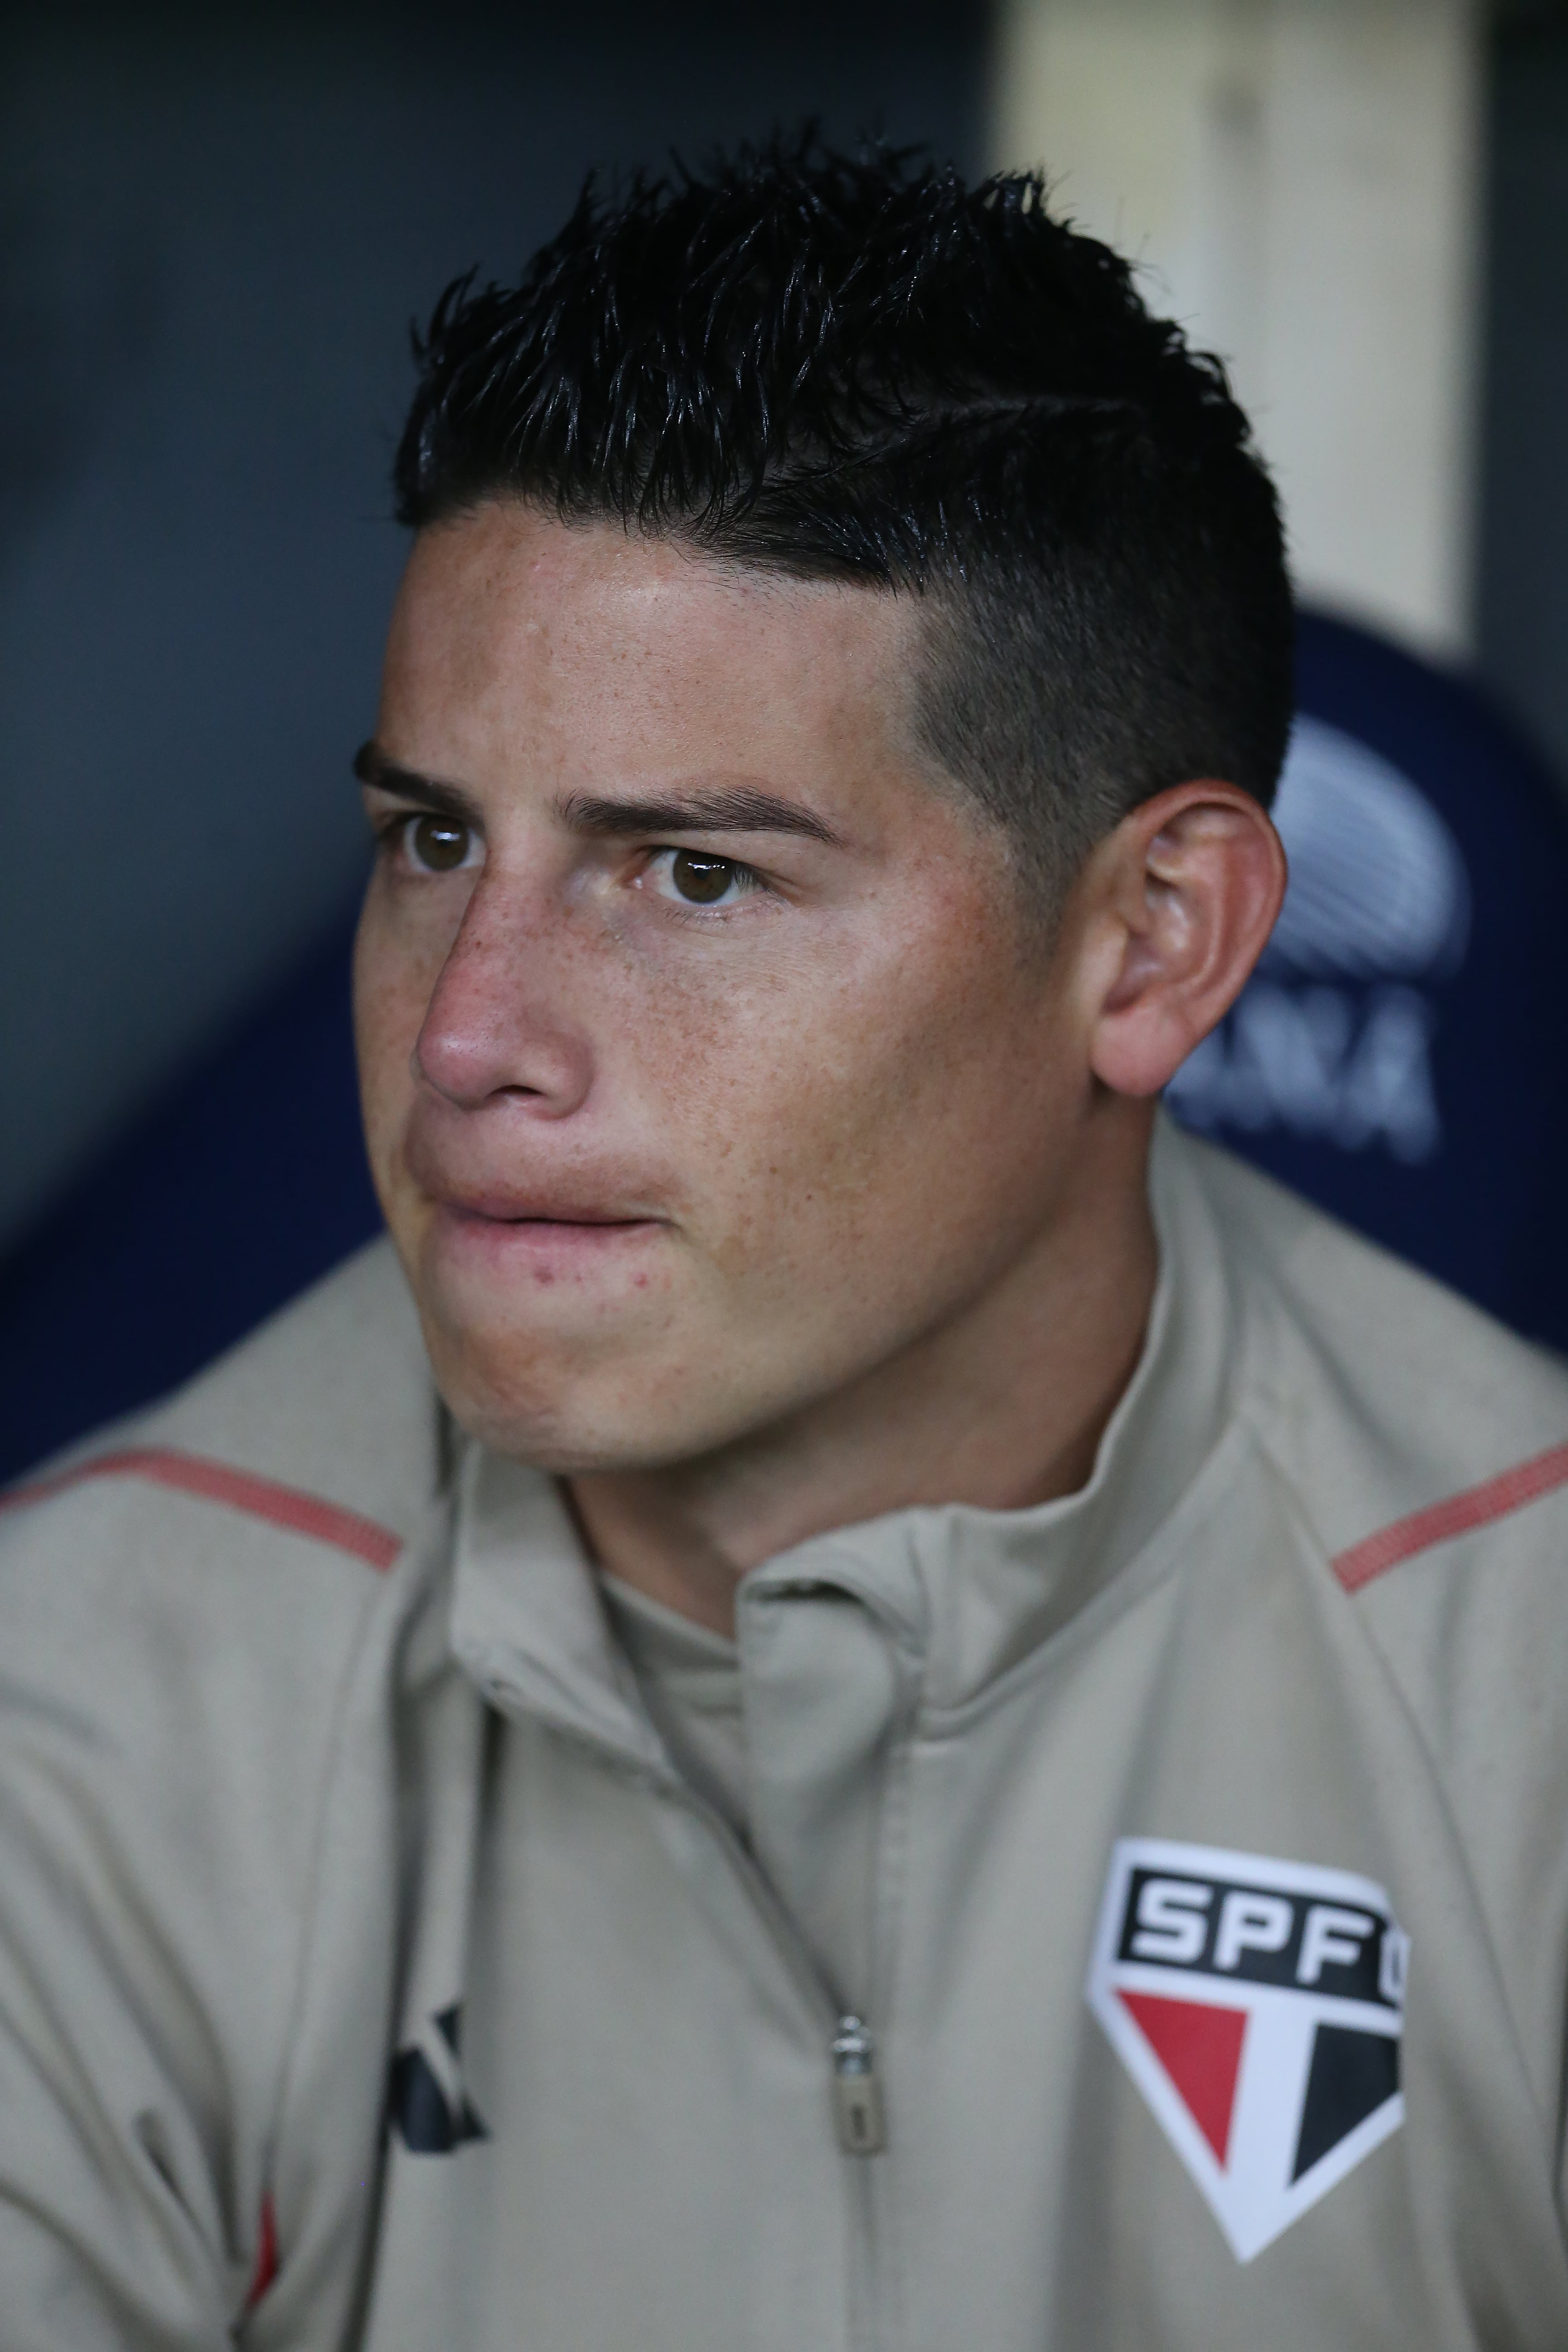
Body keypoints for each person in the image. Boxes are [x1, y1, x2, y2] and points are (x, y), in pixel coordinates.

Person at [1, 140, 1565, 2352]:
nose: (466, 1036)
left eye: (691, 877)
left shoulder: (1528, 1696)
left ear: (1153, 943)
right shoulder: (74, 1718)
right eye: (433, 839)